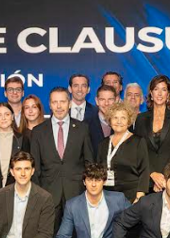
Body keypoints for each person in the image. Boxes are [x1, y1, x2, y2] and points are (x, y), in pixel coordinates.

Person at [32, 87, 95, 224]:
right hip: (48, 193)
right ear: (49, 104)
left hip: (76, 192)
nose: (59, 106)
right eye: (55, 102)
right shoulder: (38, 131)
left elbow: (89, 162)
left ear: (70, 103)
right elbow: (35, 167)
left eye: (62, 101)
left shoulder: (82, 128)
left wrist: (88, 190)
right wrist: (38, 194)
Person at [135, 75, 170, 194]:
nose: (160, 93)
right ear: (151, 94)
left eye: (164, 90)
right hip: (146, 178)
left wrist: (164, 177)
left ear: (168, 94)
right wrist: (152, 174)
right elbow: (138, 150)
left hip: (169, 179)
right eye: (156, 89)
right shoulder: (141, 119)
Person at [97, 103, 149, 203]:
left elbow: (144, 170)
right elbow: (98, 170)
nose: (119, 121)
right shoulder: (103, 144)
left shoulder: (138, 141)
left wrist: (139, 196)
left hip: (131, 196)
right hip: (106, 196)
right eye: (115, 117)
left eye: (123, 118)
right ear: (110, 120)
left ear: (129, 121)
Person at [88, 84, 116, 151]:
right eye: (102, 99)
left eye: (110, 99)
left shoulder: (124, 125)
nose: (106, 103)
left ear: (115, 101)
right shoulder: (86, 125)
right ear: (97, 101)